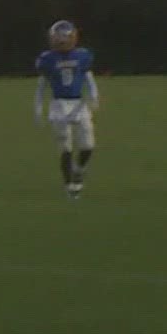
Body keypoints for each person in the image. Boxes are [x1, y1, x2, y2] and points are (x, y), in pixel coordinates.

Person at [33, 20, 99, 200]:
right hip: (58, 105)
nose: (61, 42)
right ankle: (70, 184)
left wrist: (94, 96)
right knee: (65, 147)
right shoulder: (48, 59)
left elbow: (88, 78)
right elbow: (42, 85)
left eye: (64, 38)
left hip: (79, 104)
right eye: (58, 38)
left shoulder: (82, 56)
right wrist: (38, 108)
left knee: (88, 145)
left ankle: (79, 169)